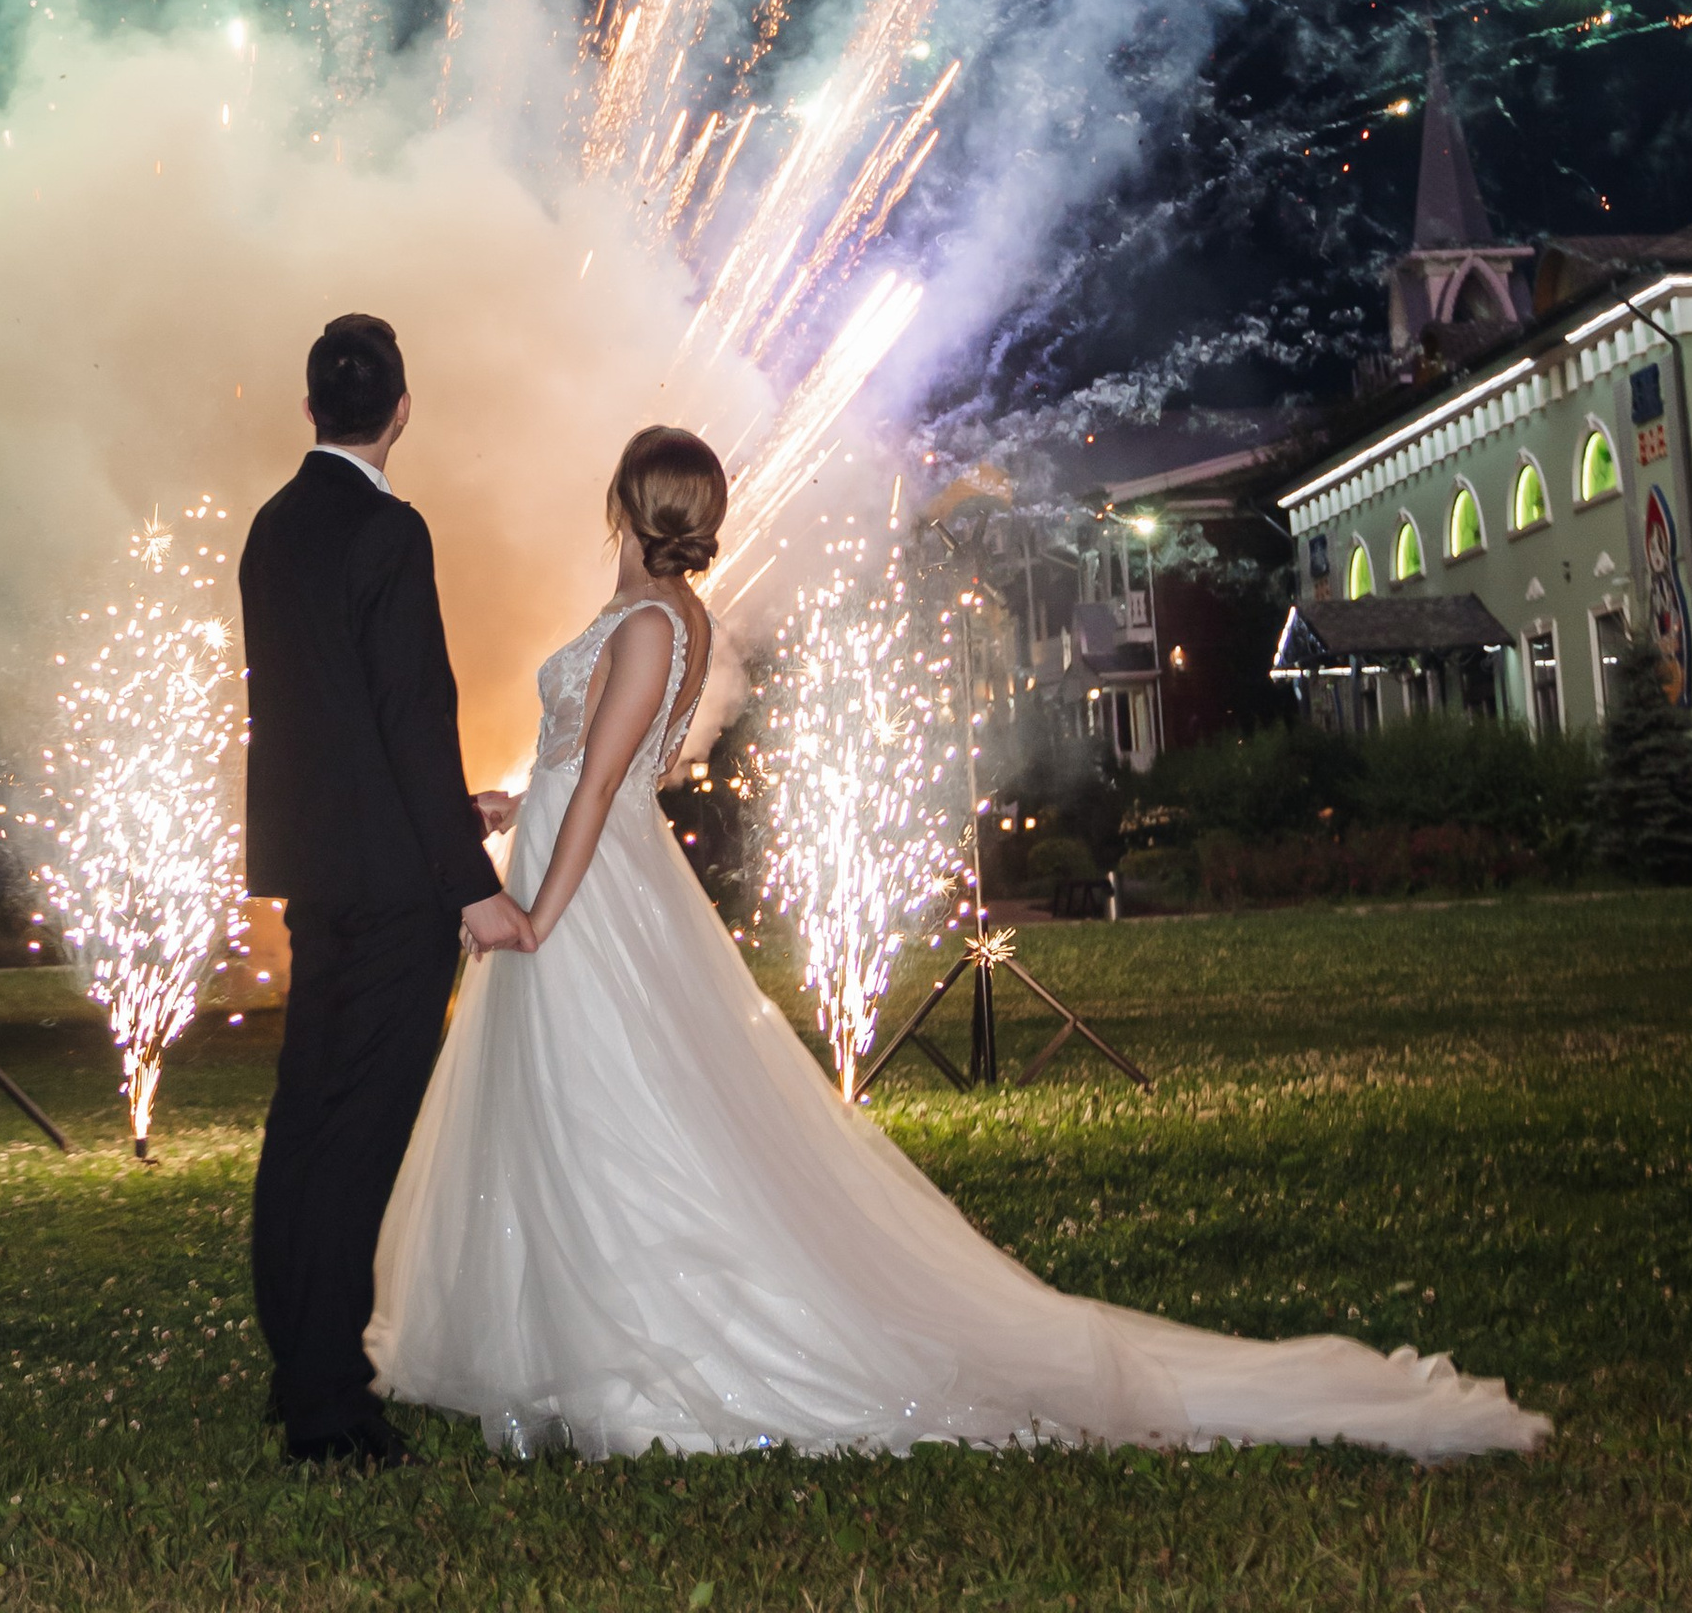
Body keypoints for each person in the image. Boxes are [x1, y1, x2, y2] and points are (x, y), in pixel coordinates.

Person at [372, 424, 1548, 1465]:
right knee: (571, 1104)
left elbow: (608, 791)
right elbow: (584, 771)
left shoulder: (645, 622)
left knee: (610, 1108)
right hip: (577, 862)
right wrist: (503, 806)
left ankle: (634, 1341)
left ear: (629, 507)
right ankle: (551, 1327)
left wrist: (534, 909)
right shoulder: (670, 618)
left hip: (587, 895)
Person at [238, 313, 531, 1469]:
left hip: (317, 871)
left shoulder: (272, 528)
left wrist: (441, 819)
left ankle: (295, 1364)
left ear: (309, 408)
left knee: (305, 1121)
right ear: (400, 410)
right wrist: (469, 886)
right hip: (394, 890)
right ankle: (327, 1407)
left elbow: (329, 718)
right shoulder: (390, 529)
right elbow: (410, 715)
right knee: (359, 1137)